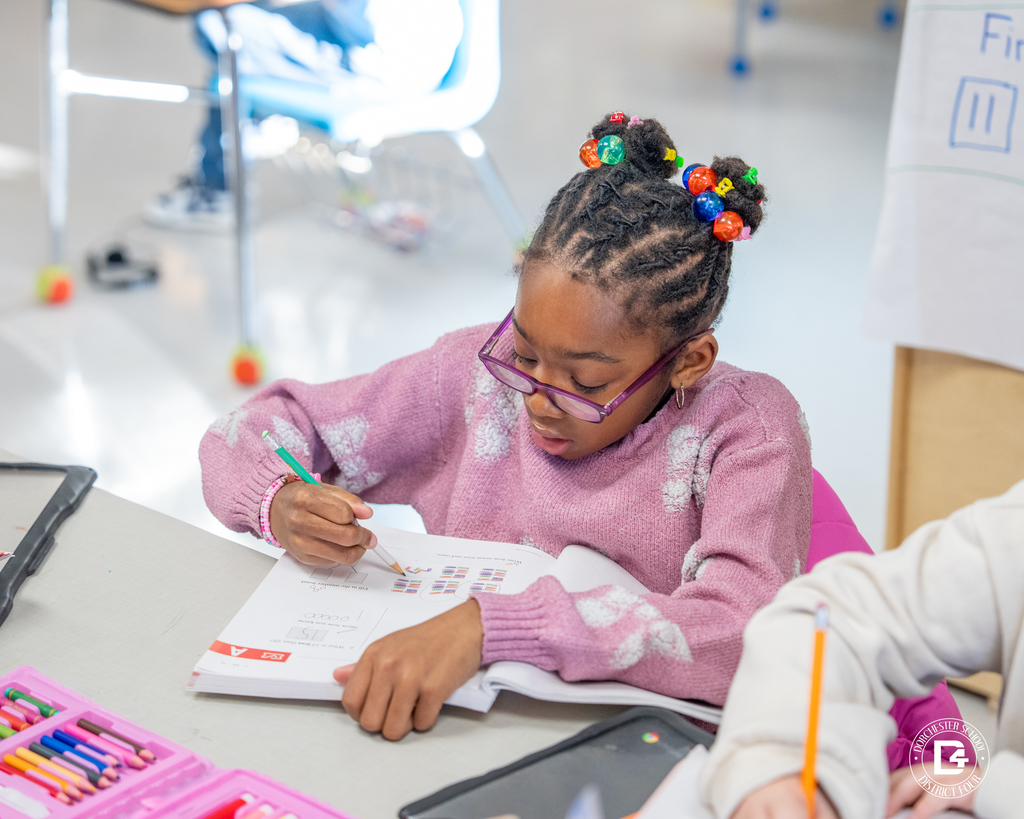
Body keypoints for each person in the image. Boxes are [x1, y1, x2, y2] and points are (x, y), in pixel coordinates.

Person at [199, 112, 813, 740]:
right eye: (524, 355)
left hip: (638, 752)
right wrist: (278, 501)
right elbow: (249, 430)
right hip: (450, 725)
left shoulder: (748, 432)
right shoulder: (473, 379)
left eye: (588, 384)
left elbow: (743, 633)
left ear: (687, 362)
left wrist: (489, 626)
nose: (538, 400)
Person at [699, 482, 1024, 818]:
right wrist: (777, 759)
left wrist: (1000, 792)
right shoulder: (1009, 535)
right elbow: (834, 613)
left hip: (917, 752)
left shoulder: (767, 470)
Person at [145, 0, 463, 231]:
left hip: (385, 56)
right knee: (249, 21)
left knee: (216, 26)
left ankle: (219, 187)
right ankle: (258, 129)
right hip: (426, 32)